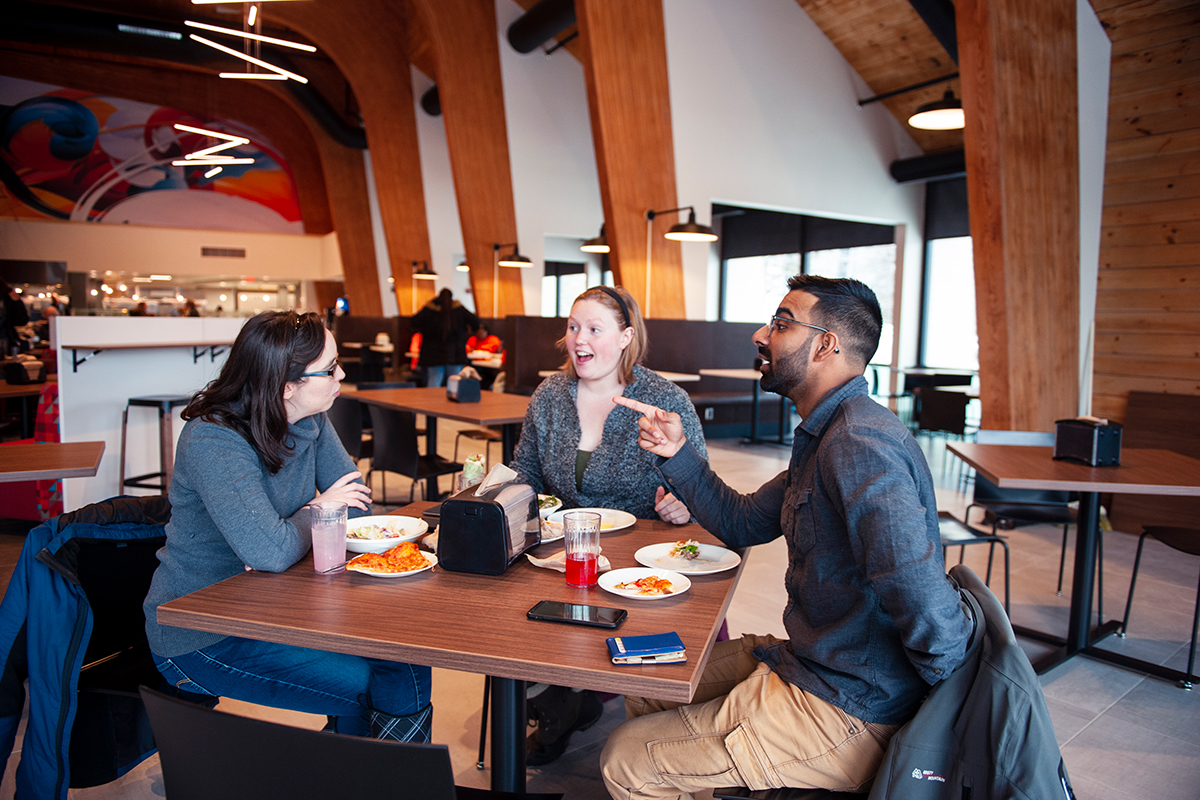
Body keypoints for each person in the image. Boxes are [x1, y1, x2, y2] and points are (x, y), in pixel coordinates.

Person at [601, 275, 972, 798]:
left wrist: (944, 712)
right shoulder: (826, 435)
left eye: (780, 323)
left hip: (849, 703)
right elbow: (742, 522)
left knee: (626, 759)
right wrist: (676, 453)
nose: (760, 334)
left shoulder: (859, 444)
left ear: (826, 345)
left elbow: (921, 592)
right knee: (649, 681)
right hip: (814, 665)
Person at [143, 311, 434, 741]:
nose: (342, 374)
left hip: (273, 605)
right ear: (286, 386)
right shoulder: (214, 440)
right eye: (330, 368)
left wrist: (314, 514)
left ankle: (372, 780)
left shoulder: (309, 416)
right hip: (201, 632)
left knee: (403, 656)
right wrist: (320, 509)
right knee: (371, 679)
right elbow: (271, 552)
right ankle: (381, 782)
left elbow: (353, 503)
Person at [511, 285, 707, 764]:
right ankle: (557, 699)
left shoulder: (663, 398)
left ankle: (571, 699)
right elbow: (526, 473)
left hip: (638, 558)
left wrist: (681, 506)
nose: (580, 339)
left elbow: (699, 484)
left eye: (594, 329)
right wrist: (508, 498)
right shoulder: (551, 394)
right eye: (574, 327)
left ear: (625, 337)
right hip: (562, 550)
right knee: (507, 614)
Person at [411, 288, 478, 387]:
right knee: (455, 380)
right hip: (455, 352)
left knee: (434, 379)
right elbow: (476, 321)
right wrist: (467, 330)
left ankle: (432, 402)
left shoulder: (430, 309)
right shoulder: (458, 309)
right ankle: (453, 400)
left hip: (433, 353)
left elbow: (414, 322)